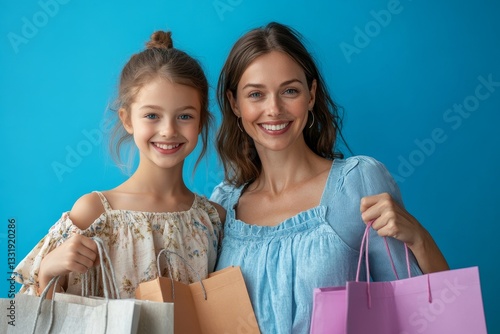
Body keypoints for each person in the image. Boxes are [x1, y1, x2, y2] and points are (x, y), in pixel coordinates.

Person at [211, 22, 448, 333]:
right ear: (234, 104)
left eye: (290, 91)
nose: (274, 109)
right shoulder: (222, 206)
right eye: (256, 94)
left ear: (310, 95)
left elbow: (430, 311)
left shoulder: (358, 182)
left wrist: (419, 237)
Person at [14, 30, 225, 298]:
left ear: (201, 122)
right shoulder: (94, 214)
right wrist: (47, 270)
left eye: (184, 115)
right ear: (127, 120)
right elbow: (30, 314)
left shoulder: (213, 220)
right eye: (152, 115)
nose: (168, 130)